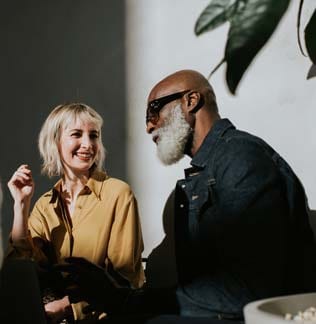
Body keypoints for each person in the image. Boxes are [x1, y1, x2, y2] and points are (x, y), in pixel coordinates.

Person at [57, 70, 316, 322]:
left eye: (154, 110)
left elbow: (249, 291)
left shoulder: (241, 159)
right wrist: (117, 296)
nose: (149, 126)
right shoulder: (205, 172)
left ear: (191, 101)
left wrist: (126, 301)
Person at [5, 103, 145, 323]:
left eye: (94, 135)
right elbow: (23, 266)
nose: (88, 144)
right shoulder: (45, 205)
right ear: (56, 142)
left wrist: (66, 308)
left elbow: (124, 280)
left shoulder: (118, 194)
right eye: (77, 134)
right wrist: (20, 206)